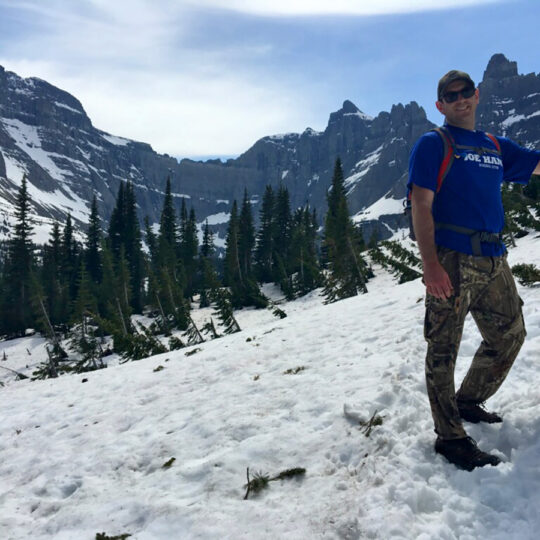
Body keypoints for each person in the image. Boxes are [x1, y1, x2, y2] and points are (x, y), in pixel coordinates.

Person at [408, 69, 540, 471]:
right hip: (451, 258)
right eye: (451, 95)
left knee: (510, 334)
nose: (460, 99)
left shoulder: (495, 145)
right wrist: (430, 265)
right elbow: (421, 205)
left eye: (466, 92)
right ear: (440, 105)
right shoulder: (434, 144)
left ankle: (467, 400)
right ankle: (450, 437)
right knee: (443, 347)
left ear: (477, 95)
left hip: (493, 258)